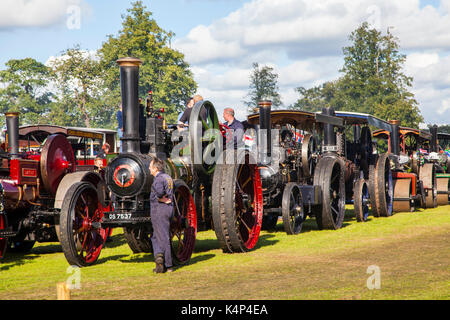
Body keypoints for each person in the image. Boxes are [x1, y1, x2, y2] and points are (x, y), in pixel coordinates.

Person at [149, 158, 174, 273]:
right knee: (155, 236)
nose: (149, 169)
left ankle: (168, 265)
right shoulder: (168, 177)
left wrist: (160, 198)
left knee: (163, 237)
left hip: (159, 210)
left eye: (150, 167)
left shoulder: (158, 180)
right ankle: (159, 262)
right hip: (167, 209)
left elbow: (159, 193)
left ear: (155, 168)